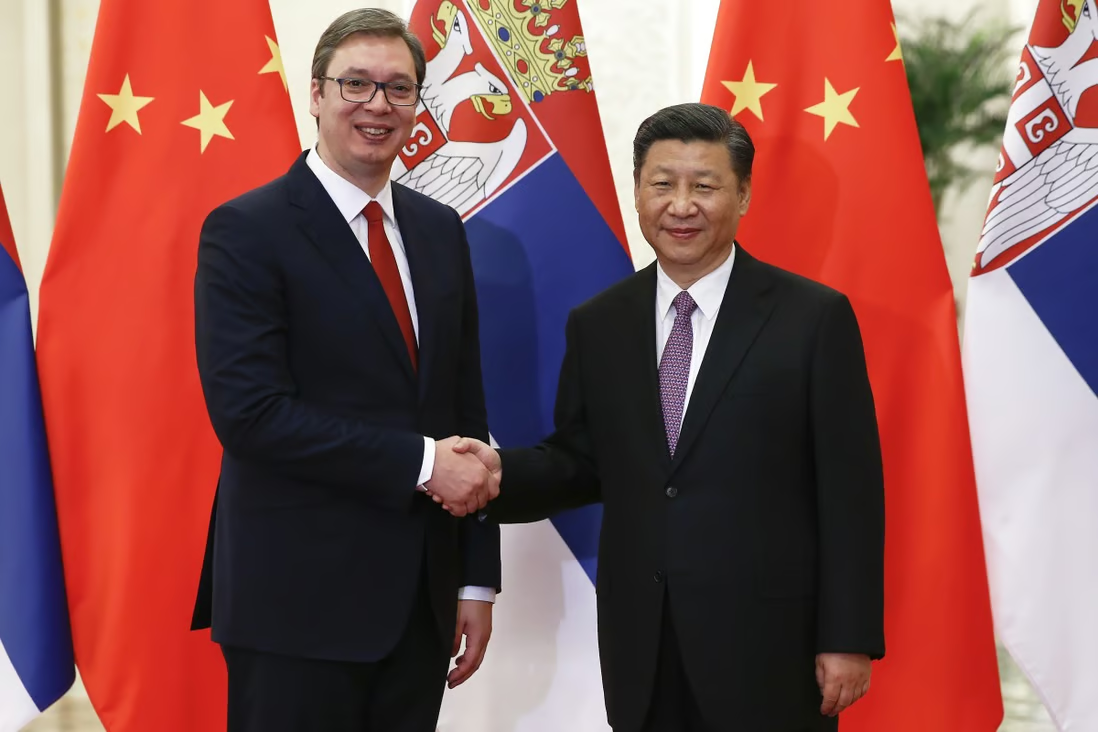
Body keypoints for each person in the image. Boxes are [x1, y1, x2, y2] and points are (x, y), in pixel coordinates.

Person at [448, 103, 885, 731]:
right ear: (637, 192)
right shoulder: (600, 322)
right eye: (663, 184)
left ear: (743, 196)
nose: (682, 205)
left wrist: (847, 636)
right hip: (643, 643)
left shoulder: (813, 319)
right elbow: (581, 461)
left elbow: (850, 492)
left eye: (704, 186)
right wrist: (495, 475)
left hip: (770, 647)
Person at [190, 9, 500, 732]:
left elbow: (465, 409)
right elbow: (251, 415)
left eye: (398, 89)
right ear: (316, 94)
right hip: (296, 606)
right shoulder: (246, 230)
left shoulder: (437, 230)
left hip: (420, 606)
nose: (377, 105)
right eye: (355, 83)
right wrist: (424, 464)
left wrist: (476, 576)